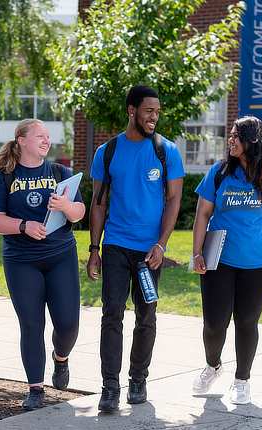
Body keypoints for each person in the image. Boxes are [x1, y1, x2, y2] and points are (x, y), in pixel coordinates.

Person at [87, 84, 185, 412]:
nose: (154, 116)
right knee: (111, 312)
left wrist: (161, 244)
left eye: (157, 111)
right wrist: (94, 249)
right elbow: (98, 204)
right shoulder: (108, 152)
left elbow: (174, 200)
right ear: (132, 111)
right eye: (148, 111)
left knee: (146, 315)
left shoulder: (166, 151)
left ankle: (138, 378)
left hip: (149, 252)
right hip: (115, 244)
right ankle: (110, 386)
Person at [190, 115, 262, 404]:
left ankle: (242, 379)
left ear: (253, 141)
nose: (231, 140)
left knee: (247, 323)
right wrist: (197, 253)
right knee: (214, 323)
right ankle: (213, 365)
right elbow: (202, 214)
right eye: (231, 135)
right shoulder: (220, 172)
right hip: (220, 260)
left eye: (237, 136)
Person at [0, 118, 86, 411]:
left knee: (67, 325)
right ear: (22, 141)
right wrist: (24, 225)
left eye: (48, 137)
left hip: (60, 256)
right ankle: (35, 389)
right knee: (31, 325)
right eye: (39, 136)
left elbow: (78, 212)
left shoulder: (59, 172)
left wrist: (66, 207)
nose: (46, 141)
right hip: (21, 261)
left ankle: (61, 358)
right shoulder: (5, 177)